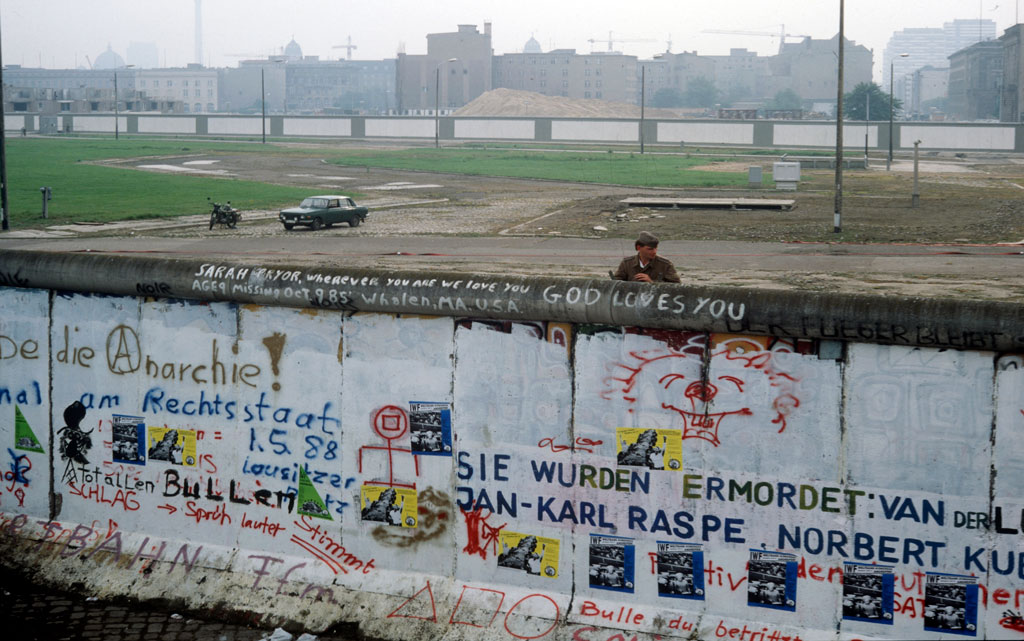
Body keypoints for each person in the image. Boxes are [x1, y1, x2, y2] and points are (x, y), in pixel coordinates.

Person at [612, 231, 681, 283]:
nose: (654, 252)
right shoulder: (627, 263)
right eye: (650, 249)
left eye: (655, 248)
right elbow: (616, 284)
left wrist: (652, 282)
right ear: (639, 248)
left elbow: (676, 286)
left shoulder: (665, 264)